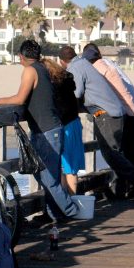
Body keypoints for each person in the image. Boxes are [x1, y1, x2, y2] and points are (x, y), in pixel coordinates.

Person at [0, 40, 78, 222]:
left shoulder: (30, 70)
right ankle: (55, 215)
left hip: (46, 130)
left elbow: (21, 98)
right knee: (49, 175)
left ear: (21, 57)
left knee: (47, 177)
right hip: (52, 128)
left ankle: (72, 211)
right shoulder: (44, 68)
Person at [59, 46, 134, 200]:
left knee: (111, 154)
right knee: (116, 153)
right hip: (116, 112)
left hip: (106, 115)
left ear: (61, 61)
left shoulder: (75, 68)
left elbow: (77, 93)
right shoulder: (85, 64)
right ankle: (120, 189)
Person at [83, 43, 134, 176]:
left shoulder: (98, 67)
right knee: (132, 148)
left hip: (126, 106)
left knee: (119, 149)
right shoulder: (108, 62)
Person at [42, 58, 85, 195]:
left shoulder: (52, 86)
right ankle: (70, 201)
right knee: (69, 167)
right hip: (74, 123)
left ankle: (69, 201)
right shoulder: (66, 82)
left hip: (65, 125)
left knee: (65, 167)